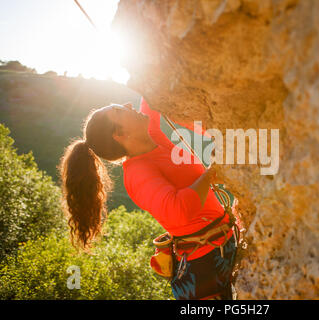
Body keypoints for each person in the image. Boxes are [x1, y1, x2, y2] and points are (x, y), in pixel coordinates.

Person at [58, 98, 238, 300]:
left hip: (220, 249)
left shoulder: (152, 136)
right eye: (119, 110)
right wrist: (211, 173)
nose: (127, 104)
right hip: (204, 270)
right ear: (120, 134)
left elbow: (150, 99)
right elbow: (178, 211)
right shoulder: (137, 174)